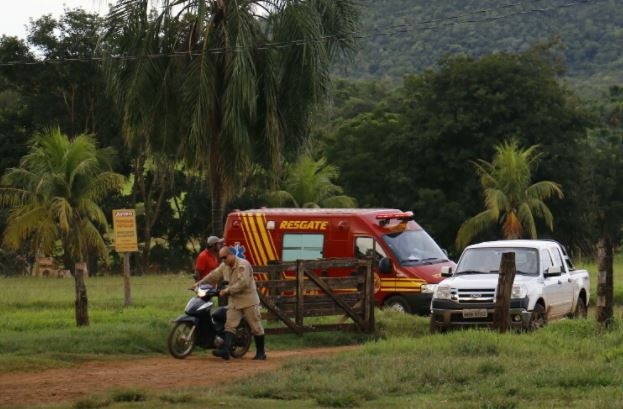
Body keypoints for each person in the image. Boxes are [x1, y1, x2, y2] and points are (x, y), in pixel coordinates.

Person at [194, 245, 266, 361]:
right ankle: (226, 351)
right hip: (234, 301)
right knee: (230, 324)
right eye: (221, 258)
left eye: (224, 257)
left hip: (248, 300)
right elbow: (213, 275)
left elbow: (243, 283)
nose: (222, 260)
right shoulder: (225, 266)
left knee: (255, 326)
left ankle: (261, 353)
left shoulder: (243, 265)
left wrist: (227, 290)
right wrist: (200, 283)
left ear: (231, 255)